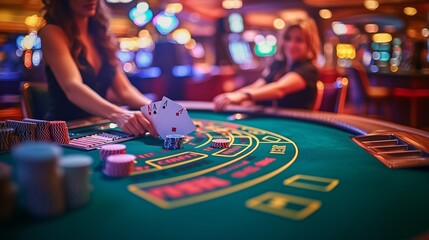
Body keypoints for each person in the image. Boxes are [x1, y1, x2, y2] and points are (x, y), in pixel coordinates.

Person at [39, 0, 158, 137]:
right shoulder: (51, 32)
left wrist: (156, 110)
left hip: (97, 126)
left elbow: (125, 91)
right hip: (64, 131)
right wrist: (118, 113)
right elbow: (73, 87)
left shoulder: (101, 36)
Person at [213, 17, 321, 111]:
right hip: (276, 120)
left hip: (298, 125)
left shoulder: (308, 69)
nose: (291, 45)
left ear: (309, 43)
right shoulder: (279, 64)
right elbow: (259, 85)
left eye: (299, 40)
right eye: (287, 38)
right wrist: (231, 96)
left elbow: (279, 89)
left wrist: (243, 96)